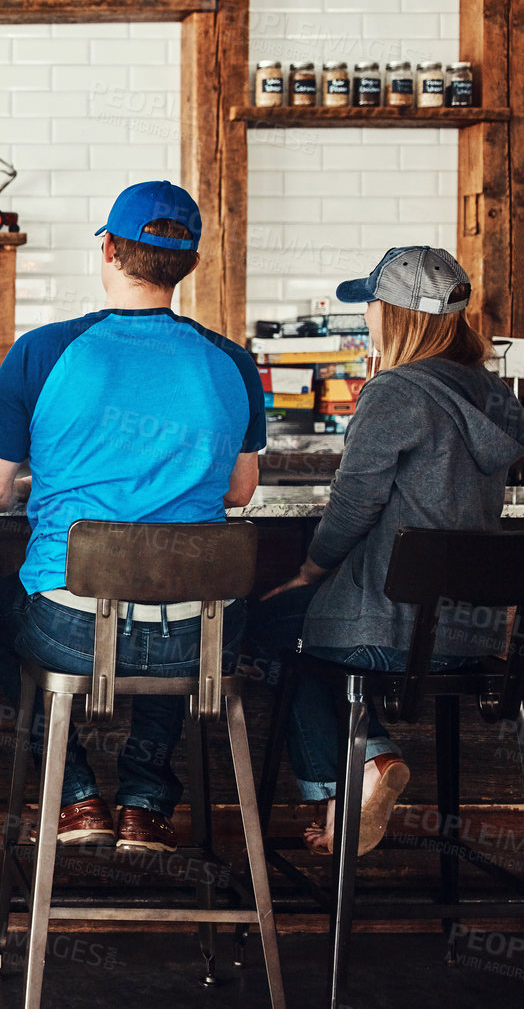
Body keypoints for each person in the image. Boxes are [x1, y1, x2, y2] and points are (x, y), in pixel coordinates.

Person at [0, 181, 263, 853]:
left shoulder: (43, 352)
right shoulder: (232, 361)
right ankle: (146, 801)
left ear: (107, 247)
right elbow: (241, 492)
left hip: (71, 629)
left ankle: (76, 799)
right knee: (174, 601)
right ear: (189, 262)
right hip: (201, 640)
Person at [247, 247, 523, 855]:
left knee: (262, 623)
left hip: (386, 631)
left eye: (371, 302)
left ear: (396, 315)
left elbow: (352, 506)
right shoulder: (497, 397)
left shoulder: (394, 391)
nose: (366, 314)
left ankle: (356, 771)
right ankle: (360, 771)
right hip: (468, 641)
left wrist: (309, 570)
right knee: (305, 623)